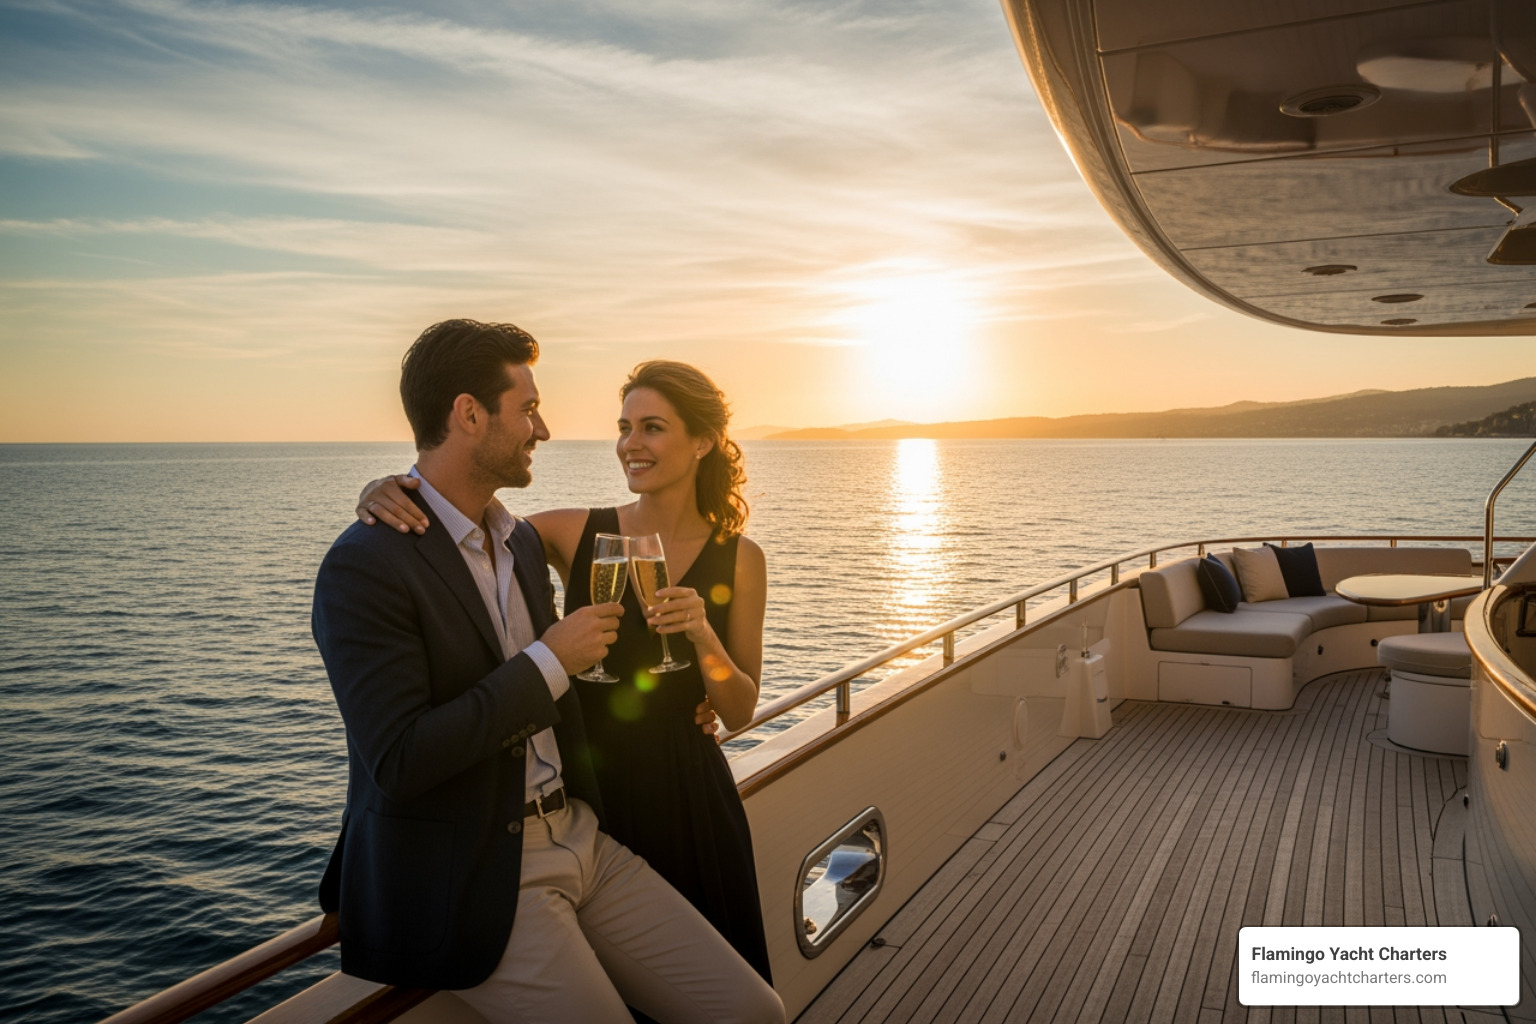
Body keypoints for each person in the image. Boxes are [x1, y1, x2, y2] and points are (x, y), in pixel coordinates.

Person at [314, 319, 782, 1024]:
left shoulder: (516, 546)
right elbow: (401, 754)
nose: (546, 428)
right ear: (469, 414)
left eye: (651, 427)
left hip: (603, 822)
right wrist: (389, 487)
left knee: (755, 1012)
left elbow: (739, 699)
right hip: (497, 860)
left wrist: (701, 647)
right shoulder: (421, 554)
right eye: (529, 409)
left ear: (703, 440)